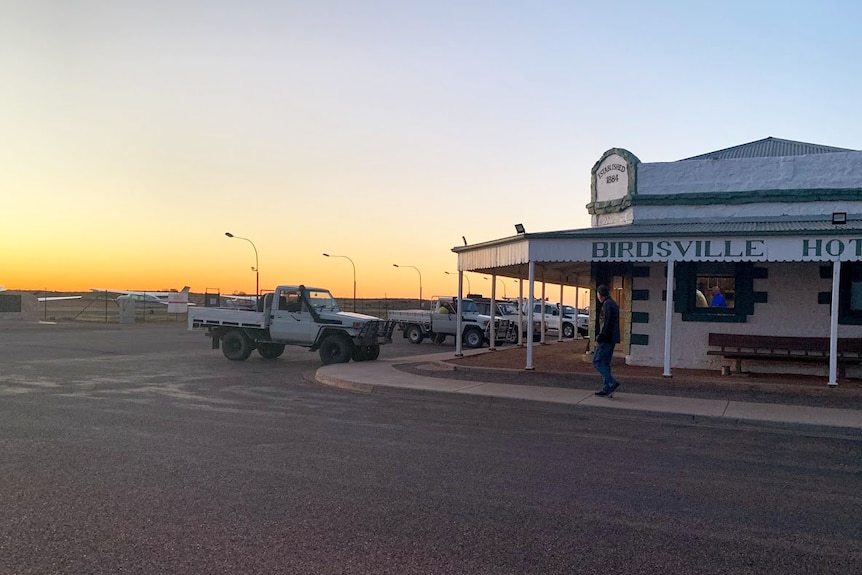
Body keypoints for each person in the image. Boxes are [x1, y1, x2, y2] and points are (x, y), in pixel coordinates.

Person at [593, 284, 621, 397]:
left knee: (597, 361)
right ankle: (606, 388)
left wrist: (600, 338)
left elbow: (606, 323)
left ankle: (611, 382)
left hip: (606, 339)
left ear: (600, 294)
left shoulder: (606, 305)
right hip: (612, 338)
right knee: (605, 363)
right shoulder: (613, 304)